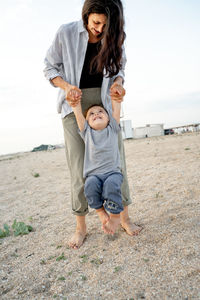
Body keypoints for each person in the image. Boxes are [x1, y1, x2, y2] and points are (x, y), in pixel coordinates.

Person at [44, 0, 142, 249]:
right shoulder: (66, 32)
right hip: (73, 103)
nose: (100, 29)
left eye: (106, 25)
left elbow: (120, 68)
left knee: (116, 161)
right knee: (79, 168)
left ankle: (124, 218)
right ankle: (81, 227)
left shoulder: (114, 37)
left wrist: (118, 84)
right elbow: (49, 66)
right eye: (96, 22)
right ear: (86, 15)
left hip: (104, 104)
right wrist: (67, 87)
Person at [72, 99, 123, 235]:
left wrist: (117, 98)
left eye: (101, 111)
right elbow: (78, 114)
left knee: (112, 185)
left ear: (108, 118)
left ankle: (115, 216)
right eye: (91, 114)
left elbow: (116, 110)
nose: (96, 114)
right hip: (93, 175)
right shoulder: (86, 132)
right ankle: (100, 211)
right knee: (89, 185)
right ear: (87, 121)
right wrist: (75, 104)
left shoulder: (112, 128)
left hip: (113, 173)